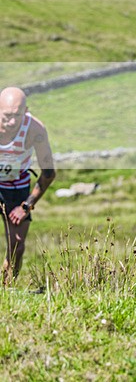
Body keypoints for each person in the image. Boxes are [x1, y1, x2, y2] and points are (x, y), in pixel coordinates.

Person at [0, 87, 56, 284]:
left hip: (16, 187)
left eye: (18, 115)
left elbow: (49, 173)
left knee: (17, 246)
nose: (13, 122)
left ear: (26, 110)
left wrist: (26, 205)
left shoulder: (35, 129)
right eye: (7, 116)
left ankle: (6, 291)